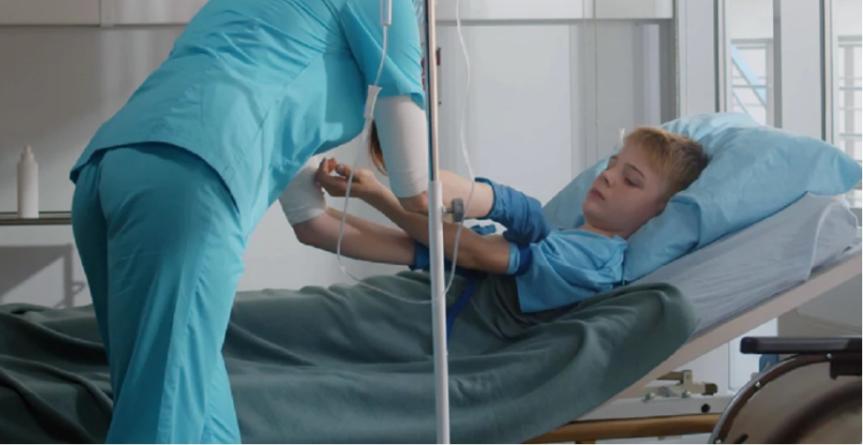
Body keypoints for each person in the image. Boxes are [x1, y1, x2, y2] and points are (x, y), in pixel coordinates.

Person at [69, 0, 465, 444]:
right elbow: (416, 187)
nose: (426, 7)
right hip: (186, 187)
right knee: (163, 423)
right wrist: (492, 206)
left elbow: (311, 224)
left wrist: (422, 254)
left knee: (195, 414)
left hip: (111, 173)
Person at [281, 126, 708, 313]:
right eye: (613, 164)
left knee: (514, 211)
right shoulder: (560, 232)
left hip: (436, 316)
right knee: (318, 227)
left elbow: (475, 253)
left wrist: (377, 195)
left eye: (630, 180)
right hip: (431, 280)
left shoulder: (597, 260)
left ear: (660, 211)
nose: (609, 177)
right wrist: (334, 207)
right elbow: (425, 246)